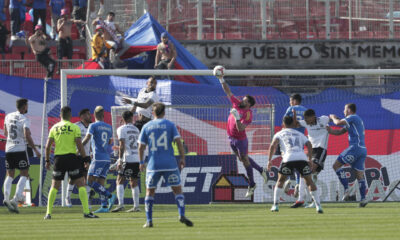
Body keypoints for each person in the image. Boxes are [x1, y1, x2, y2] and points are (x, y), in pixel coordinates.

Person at [138, 102, 193, 228]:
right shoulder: (170, 125)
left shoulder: (146, 126)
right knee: (177, 190)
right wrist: (182, 158)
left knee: (149, 192)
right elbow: (178, 142)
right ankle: (181, 214)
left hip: (153, 164)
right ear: (164, 112)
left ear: (153, 113)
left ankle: (149, 220)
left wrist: (141, 162)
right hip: (169, 163)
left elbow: (141, 147)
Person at [216, 74, 268, 198]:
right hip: (231, 138)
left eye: (244, 100)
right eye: (243, 99)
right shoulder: (237, 104)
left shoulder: (248, 114)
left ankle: (252, 184)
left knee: (245, 161)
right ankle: (261, 170)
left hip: (240, 140)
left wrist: (237, 117)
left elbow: (240, 128)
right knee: (242, 159)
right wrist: (221, 79)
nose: (242, 101)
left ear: (249, 104)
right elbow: (228, 91)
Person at [44, 106, 98, 219]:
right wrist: (86, 159)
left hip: (58, 159)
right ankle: (86, 212)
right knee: (80, 184)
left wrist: (47, 160)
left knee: (54, 186)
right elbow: (79, 144)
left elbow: (47, 146)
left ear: (60, 115)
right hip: (71, 158)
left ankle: (48, 213)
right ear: (70, 115)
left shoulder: (54, 127)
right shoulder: (74, 127)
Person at [267, 115, 323, 214]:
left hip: (288, 158)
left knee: (280, 180)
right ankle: (318, 206)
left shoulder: (279, 133)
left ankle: (275, 205)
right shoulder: (299, 133)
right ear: (293, 124)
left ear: (283, 124)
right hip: (302, 158)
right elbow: (309, 144)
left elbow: (273, 145)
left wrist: (269, 160)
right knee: (309, 182)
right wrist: (309, 159)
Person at [2, 98, 41, 213]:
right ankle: (16, 198)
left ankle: (6, 198)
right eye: (27, 106)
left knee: (10, 174)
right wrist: (35, 149)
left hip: (9, 149)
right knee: (24, 173)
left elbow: (5, 133)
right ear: (24, 107)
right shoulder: (25, 119)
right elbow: (26, 135)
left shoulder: (8, 116)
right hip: (20, 149)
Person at [328, 103, 368, 207]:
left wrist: (332, 117)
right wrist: (329, 131)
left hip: (355, 148)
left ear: (349, 110)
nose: (343, 111)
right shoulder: (355, 120)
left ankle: (347, 189)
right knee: (359, 175)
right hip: (362, 149)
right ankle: (363, 199)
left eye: (344, 109)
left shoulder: (352, 117)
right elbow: (340, 131)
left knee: (336, 166)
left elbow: (338, 123)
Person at [291, 109, 330, 208]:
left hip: (321, 149)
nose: (306, 121)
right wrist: (294, 115)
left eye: (307, 118)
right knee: (305, 173)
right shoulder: (306, 123)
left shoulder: (323, 119)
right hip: (311, 150)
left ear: (313, 117)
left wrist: (335, 120)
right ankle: (301, 200)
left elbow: (333, 118)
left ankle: (311, 201)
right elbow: (294, 124)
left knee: (310, 171)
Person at [82, 106, 116, 213]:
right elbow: (110, 142)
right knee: (100, 183)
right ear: (103, 115)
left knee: (89, 181)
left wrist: (78, 148)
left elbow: (87, 138)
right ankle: (104, 207)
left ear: (94, 115)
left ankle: (110, 196)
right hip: (106, 158)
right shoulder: (109, 127)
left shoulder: (93, 125)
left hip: (98, 158)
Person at [111, 111, 141, 213]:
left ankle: (121, 205)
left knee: (119, 180)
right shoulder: (136, 129)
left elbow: (123, 144)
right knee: (134, 181)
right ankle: (136, 206)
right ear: (132, 118)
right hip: (136, 158)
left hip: (127, 158)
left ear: (122, 119)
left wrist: (119, 159)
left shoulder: (121, 129)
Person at [65, 108, 93, 207]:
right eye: (88, 114)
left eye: (90, 114)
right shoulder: (76, 126)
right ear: (82, 116)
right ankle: (67, 197)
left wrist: (91, 152)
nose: (90, 116)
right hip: (76, 155)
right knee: (73, 178)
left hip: (86, 156)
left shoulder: (91, 127)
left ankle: (86, 201)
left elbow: (90, 142)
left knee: (87, 178)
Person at [282, 93, 308, 197]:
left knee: (287, 158)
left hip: (290, 138)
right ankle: (297, 183)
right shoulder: (305, 110)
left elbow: (285, 122)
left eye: (290, 100)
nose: (290, 103)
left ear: (294, 101)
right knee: (298, 161)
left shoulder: (290, 109)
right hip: (300, 139)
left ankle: (288, 179)